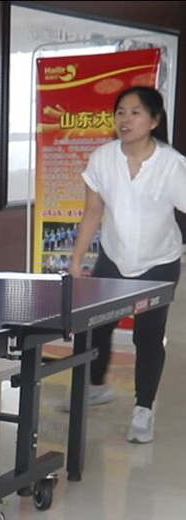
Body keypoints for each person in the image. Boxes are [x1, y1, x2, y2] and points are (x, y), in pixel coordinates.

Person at [68, 85, 185, 443]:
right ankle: (96, 387)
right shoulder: (102, 159)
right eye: (120, 112)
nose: (125, 119)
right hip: (113, 259)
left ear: (154, 121)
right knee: (94, 327)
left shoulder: (171, 165)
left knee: (147, 335)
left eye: (135, 112)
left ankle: (143, 410)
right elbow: (93, 211)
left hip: (159, 262)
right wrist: (77, 260)